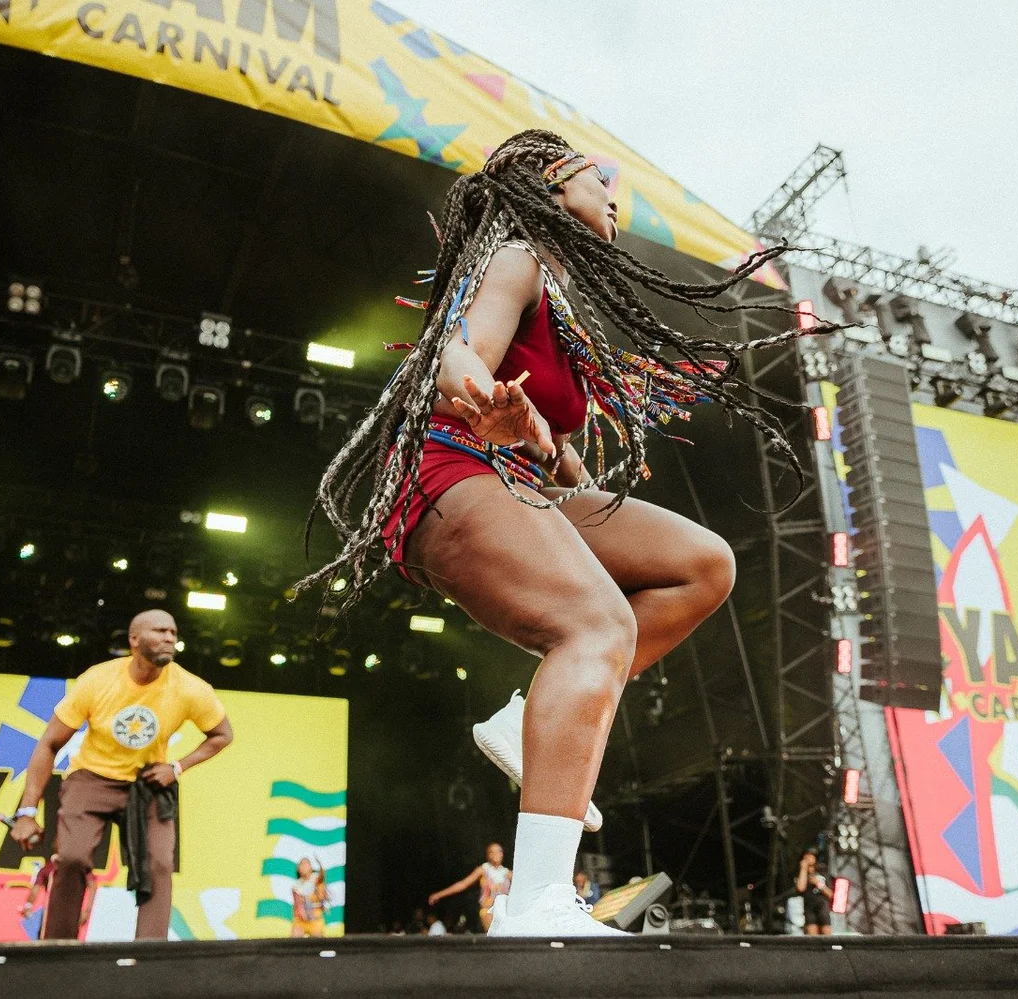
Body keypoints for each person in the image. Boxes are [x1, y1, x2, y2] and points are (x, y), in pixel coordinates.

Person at [299, 129, 835, 937]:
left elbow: (555, 459)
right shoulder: (516, 256)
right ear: (553, 181)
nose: (614, 189)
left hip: (513, 477)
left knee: (703, 564)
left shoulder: (564, 298)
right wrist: (485, 399)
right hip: (450, 475)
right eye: (599, 174)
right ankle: (537, 902)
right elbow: (457, 353)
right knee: (598, 623)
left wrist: (543, 443)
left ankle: (526, 720)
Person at [9, 609, 233, 940]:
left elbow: (222, 735)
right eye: (159, 631)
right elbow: (49, 744)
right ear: (134, 639)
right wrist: (27, 811)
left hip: (146, 783)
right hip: (91, 777)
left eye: (173, 632)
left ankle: (150, 954)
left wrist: (177, 766)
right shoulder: (98, 680)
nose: (170, 637)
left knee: (158, 865)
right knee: (71, 858)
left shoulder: (190, 688)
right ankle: (56, 948)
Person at [427, 842, 512, 932]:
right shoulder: (483, 870)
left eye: (499, 851)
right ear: (487, 855)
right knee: (496, 937)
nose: (496, 854)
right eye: (492, 852)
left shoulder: (507, 873)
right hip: (488, 911)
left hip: (504, 913)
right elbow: (463, 884)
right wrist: (439, 895)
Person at [19, 854, 98, 938]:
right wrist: (86, 911)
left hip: (55, 911)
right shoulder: (78, 866)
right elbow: (92, 886)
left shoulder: (48, 868)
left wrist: (28, 906)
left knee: (48, 939)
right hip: (67, 911)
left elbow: (35, 890)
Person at [796, 849, 833, 935]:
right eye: (806, 856)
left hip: (822, 907)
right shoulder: (801, 873)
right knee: (812, 936)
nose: (808, 858)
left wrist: (818, 884)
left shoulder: (823, 872)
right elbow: (801, 888)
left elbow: (830, 894)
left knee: (826, 934)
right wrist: (803, 869)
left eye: (811, 855)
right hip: (809, 908)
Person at [290, 857, 329, 938]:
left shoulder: (316, 879)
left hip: (315, 919)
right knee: (294, 942)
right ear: (298, 869)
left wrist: (320, 864)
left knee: (317, 944)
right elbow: (297, 904)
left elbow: (322, 876)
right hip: (301, 920)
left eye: (306, 864)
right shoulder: (296, 886)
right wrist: (301, 912)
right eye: (301, 864)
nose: (303, 866)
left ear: (311, 867)